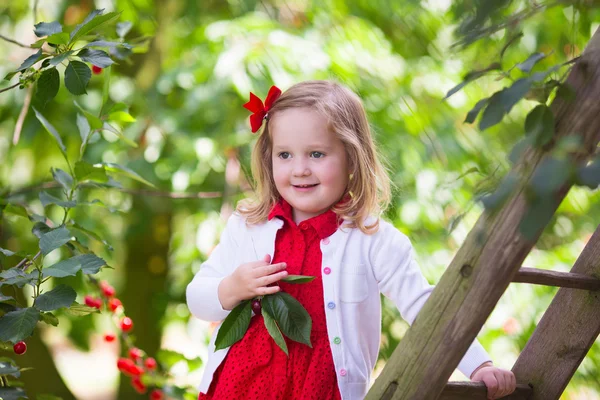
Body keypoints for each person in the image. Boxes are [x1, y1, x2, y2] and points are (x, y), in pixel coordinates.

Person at [186, 80, 517, 400]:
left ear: (352, 159)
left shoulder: (374, 240)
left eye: (316, 154)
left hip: (323, 390)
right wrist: (230, 288)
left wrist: (479, 365)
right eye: (285, 155)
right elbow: (197, 297)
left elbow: (426, 307)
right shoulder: (248, 227)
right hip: (240, 385)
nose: (299, 169)